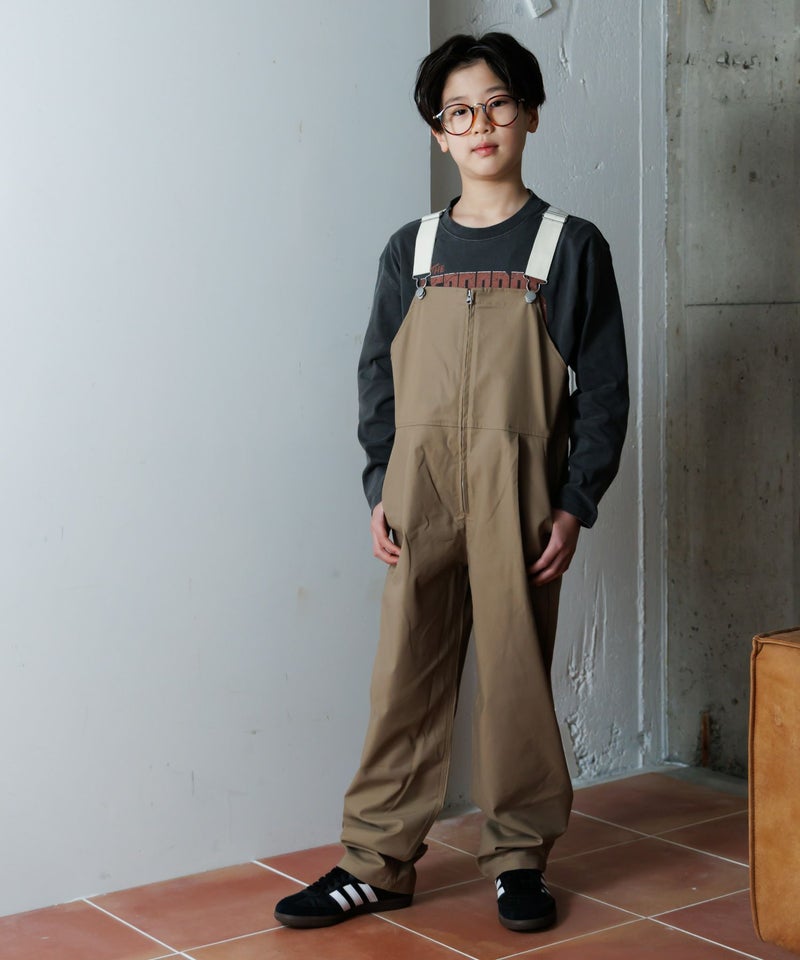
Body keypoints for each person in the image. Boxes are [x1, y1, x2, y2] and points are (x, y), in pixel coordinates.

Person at [274, 31, 628, 933]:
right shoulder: (414, 248)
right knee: (405, 677)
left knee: (516, 680)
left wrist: (575, 502)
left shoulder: (570, 247)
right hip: (421, 491)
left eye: (498, 103)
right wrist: (380, 487)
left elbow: (604, 391)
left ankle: (518, 860)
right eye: (459, 112)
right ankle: (376, 862)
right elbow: (377, 376)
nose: (481, 124)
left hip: (521, 495)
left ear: (530, 113)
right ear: (439, 133)